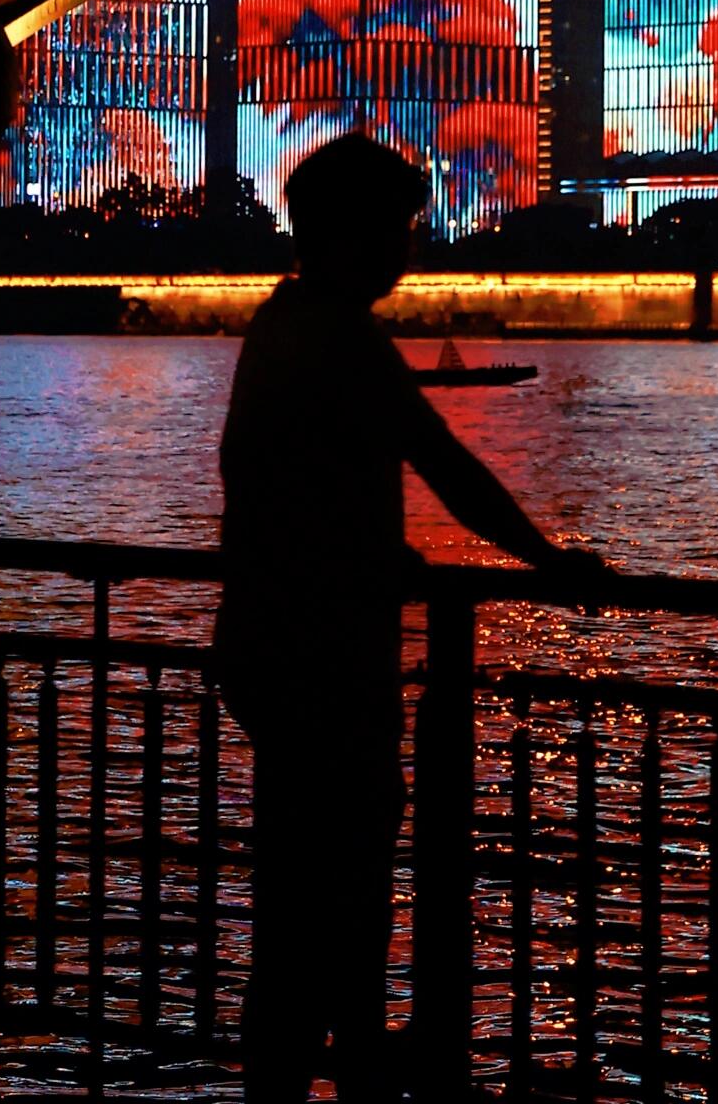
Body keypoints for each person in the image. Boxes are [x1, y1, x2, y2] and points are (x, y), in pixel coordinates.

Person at [214, 131, 599, 1103]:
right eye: (398, 229)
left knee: (294, 909)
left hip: (269, 647)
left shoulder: (279, 327)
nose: (408, 249)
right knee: (340, 903)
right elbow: (447, 467)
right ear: (351, 234)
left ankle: (298, 1082)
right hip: (330, 662)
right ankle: (348, 1085)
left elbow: (269, 484)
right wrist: (548, 561)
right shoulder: (345, 341)